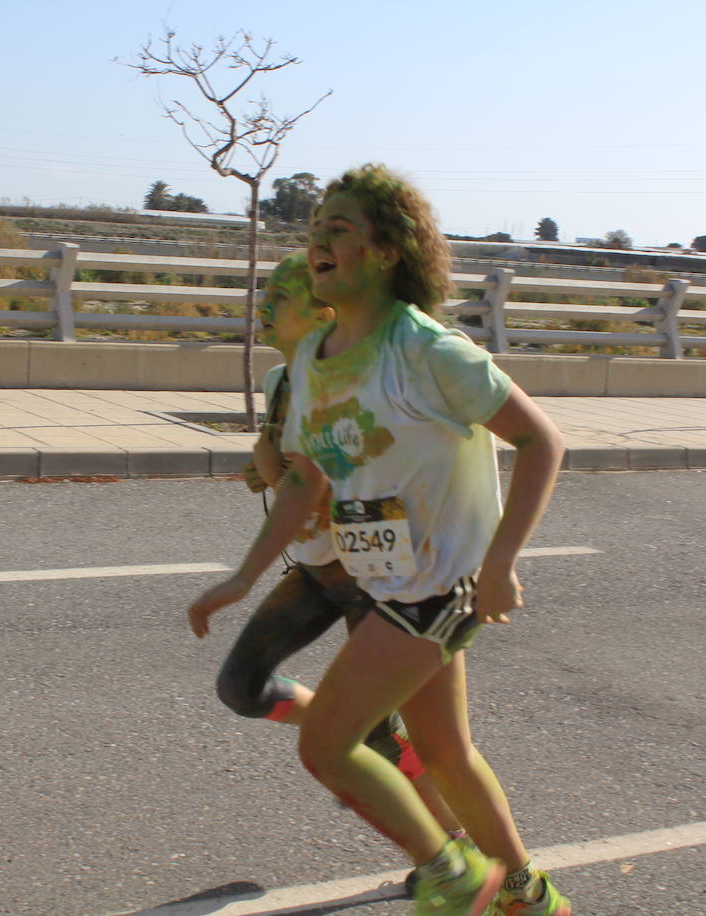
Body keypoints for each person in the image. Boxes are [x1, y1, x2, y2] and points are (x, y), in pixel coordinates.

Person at [188, 164, 572, 916]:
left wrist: (501, 564)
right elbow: (306, 482)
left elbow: (541, 441)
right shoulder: (310, 360)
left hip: (442, 582)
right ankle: (527, 893)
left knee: (327, 743)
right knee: (443, 752)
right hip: (383, 579)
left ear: (389, 251)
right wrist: (242, 578)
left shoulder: (428, 352)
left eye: (340, 228)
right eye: (314, 230)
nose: (319, 242)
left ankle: (452, 874)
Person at [197, 253, 469, 868]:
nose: (262, 309)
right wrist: (262, 465)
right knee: (240, 688)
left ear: (322, 312)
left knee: (390, 739)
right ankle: (341, 730)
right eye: (262, 298)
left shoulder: (359, 378)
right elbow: (280, 476)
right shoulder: (278, 382)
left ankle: (450, 846)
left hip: (374, 578)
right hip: (316, 571)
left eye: (277, 300)